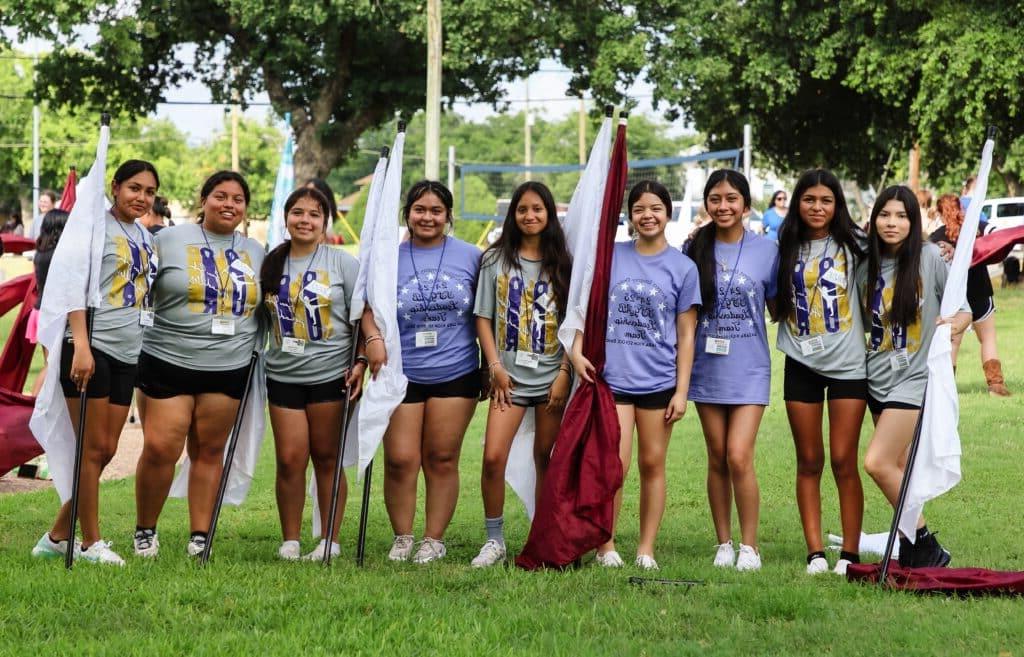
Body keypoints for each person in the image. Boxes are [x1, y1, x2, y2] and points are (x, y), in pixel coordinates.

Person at [30, 161, 160, 565]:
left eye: (149, 191)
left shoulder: (145, 235)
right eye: (133, 188)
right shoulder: (91, 228)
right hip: (89, 348)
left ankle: (55, 536)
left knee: (103, 450)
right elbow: (71, 286)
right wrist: (81, 345)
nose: (141, 197)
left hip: (127, 351)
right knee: (90, 448)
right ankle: (90, 542)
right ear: (115, 187)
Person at [133, 171, 264, 558]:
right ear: (203, 200)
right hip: (166, 359)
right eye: (220, 196)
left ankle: (200, 537)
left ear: (245, 207)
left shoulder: (257, 251)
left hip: (228, 365)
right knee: (160, 448)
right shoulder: (166, 240)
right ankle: (145, 530)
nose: (229, 204)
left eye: (237, 199)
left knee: (209, 451)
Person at [571, 180, 700, 570]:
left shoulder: (683, 266)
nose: (648, 215)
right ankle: (606, 545)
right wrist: (575, 351)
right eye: (640, 208)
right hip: (615, 381)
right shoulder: (609, 256)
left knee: (652, 464)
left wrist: (681, 391)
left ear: (668, 213)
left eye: (656, 208)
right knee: (615, 466)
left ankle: (646, 549)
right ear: (629, 214)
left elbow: (686, 333)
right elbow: (584, 308)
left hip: (659, 382)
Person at [362, 180, 482, 564]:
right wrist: (371, 338)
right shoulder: (388, 258)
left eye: (436, 210)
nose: (427, 217)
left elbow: (487, 311)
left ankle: (433, 539)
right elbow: (368, 307)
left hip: (456, 372)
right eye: (420, 209)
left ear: (448, 216)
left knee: (442, 457)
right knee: (399, 459)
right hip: (402, 372)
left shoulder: (471, 257)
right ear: (407, 214)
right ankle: (402, 536)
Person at [861, 185, 971, 567]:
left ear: (914, 220)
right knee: (900, 468)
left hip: (914, 378)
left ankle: (925, 544)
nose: (892, 223)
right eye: (885, 215)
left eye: (902, 216)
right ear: (874, 218)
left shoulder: (928, 257)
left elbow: (964, 310)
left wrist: (952, 323)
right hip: (874, 378)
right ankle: (911, 543)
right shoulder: (865, 262)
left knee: (876, 462)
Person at [771, 169, 868, 576]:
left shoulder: (855, 244)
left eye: (826, 200)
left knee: (845, 460)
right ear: (797, 203)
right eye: (809, 199)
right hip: (801, 362)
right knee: (808, 460)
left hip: (849, 365)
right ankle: (814, 553)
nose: (817, 207)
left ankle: (849, 553)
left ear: (836, 205)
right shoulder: (784, 244)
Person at [470, 181, 572, 568]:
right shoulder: (495, 260)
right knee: (493, 457)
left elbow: (573, 325)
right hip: (507, 381)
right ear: (513, 214)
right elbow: (483, 317)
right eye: (522, 209)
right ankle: (494, 540)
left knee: (545, 457)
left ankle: (543, 534)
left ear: (549, 215)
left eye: (538, 209)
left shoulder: (563, 262)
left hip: (551, 380)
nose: (530, 216)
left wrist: (564, 372)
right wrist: (493, 366)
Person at [261, 186, 364, 561]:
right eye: (298, 213)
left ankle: (330, 542)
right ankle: (290, 539)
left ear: (326, 222)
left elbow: (363, 318)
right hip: (282, 375)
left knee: (326, 457)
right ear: (287, 218)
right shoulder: (270, 262)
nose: (305, 220)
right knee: (289, 459)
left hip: (330, 376)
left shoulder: (342, 264)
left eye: (314, 214)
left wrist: (363, 362)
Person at [685, 170, 778, 571]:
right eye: (716, 199)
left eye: (732, 199)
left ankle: (750, 546)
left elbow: (780, 307)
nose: (723, 206)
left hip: (750, 367)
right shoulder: (693, 248)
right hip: (706, 367)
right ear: (707, 203)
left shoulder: (767, 250)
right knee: (717, 457)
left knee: (739, 455)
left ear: (746, 204)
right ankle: (723, 542)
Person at [930, 194, 1010, 396]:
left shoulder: (936, 237)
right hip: (981, 291)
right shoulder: (977, 227)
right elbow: (999, 235)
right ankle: (996, 385)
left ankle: (943, 390)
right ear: (960, 207)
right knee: (988, 338)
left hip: (955, 296)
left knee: (953, 342)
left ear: (939, 213)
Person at [28, 209, 71, 396]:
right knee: (53, 366)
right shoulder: (59, 255)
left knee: (51, 364)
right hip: (52, 314)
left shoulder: (40, 254)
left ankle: (38, 403)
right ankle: (34, 402)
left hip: (40, 311)